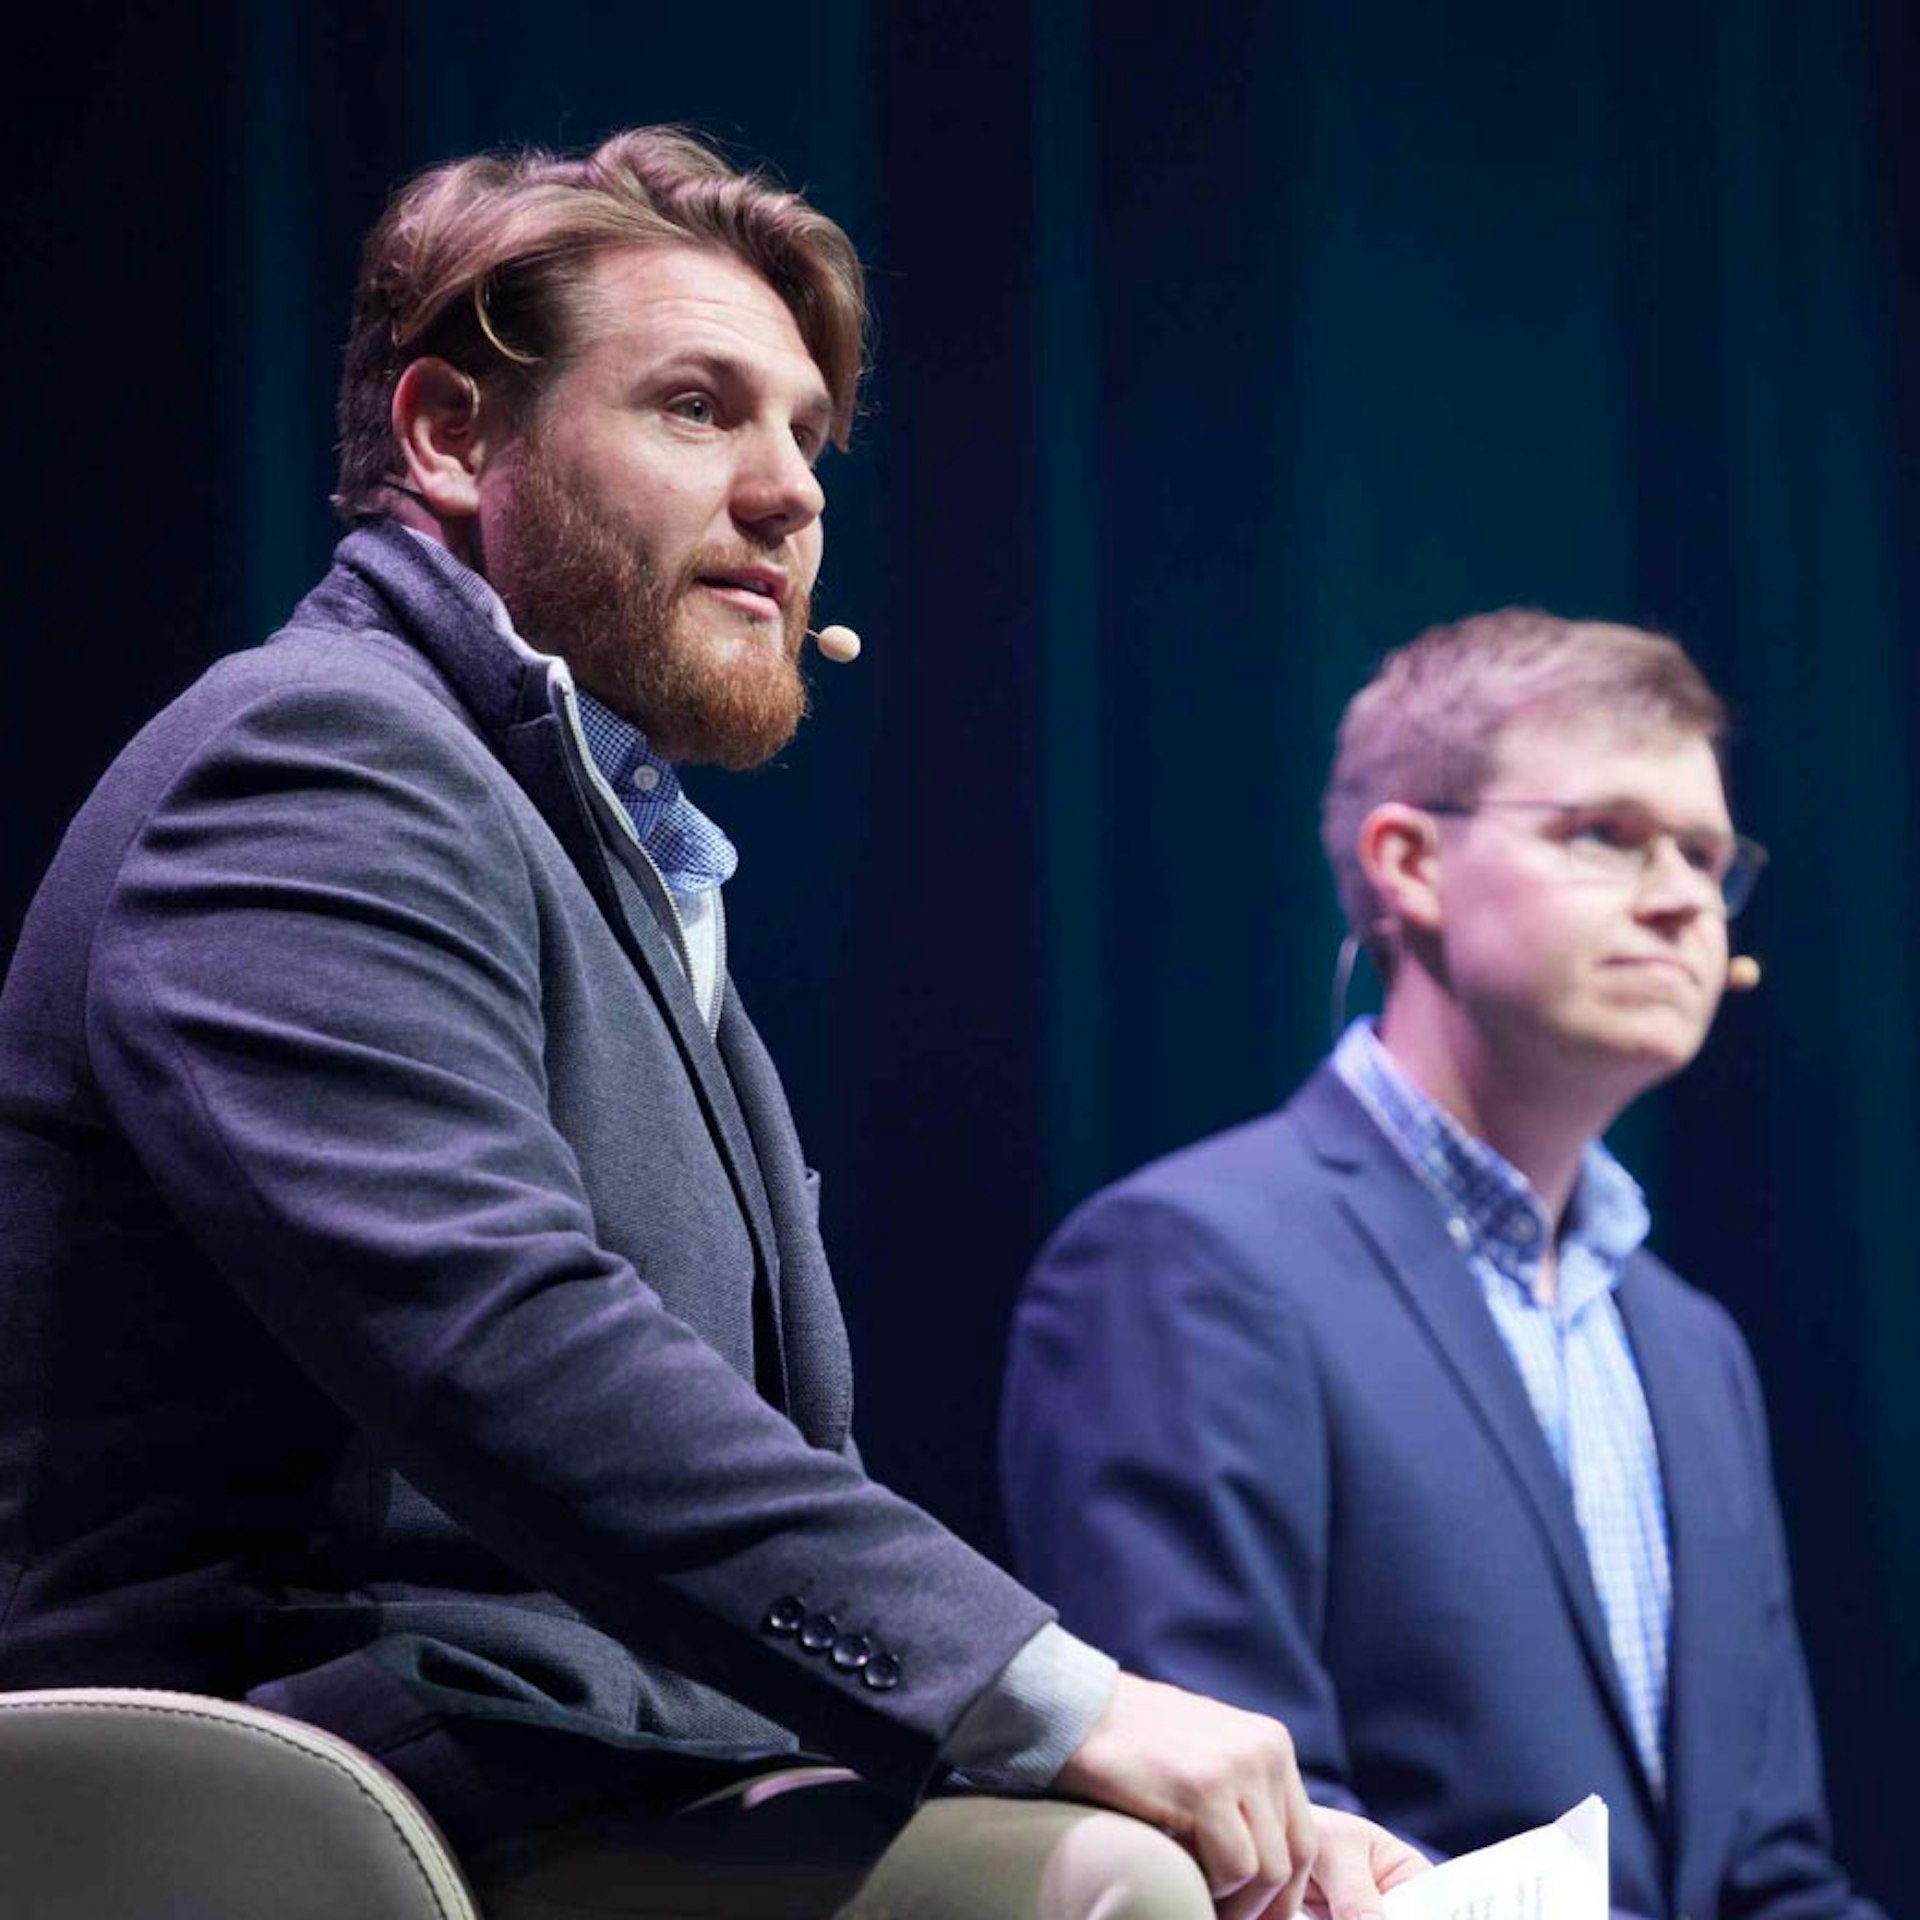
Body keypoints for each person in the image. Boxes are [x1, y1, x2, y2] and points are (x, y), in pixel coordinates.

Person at [0, 130, 1420, 1920]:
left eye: (809, 439)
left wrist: (1058, 1740)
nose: (788, 493)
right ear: (450, 438)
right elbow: (502, 1338)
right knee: (1088, 1885)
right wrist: (1052, 1700)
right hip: (310, 1786)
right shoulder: (313, 760)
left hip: (582, 1758)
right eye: (696, 408)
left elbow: (749, 1483)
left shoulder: (599, 845)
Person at [1002, 611, 1885, 1920]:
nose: (1683, 897)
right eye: (1607, 835)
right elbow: (1249, 1849)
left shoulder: (1692, 1344)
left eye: (1706, 856)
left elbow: (1771, 1874)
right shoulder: (1189, 1263)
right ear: (1410, 862)